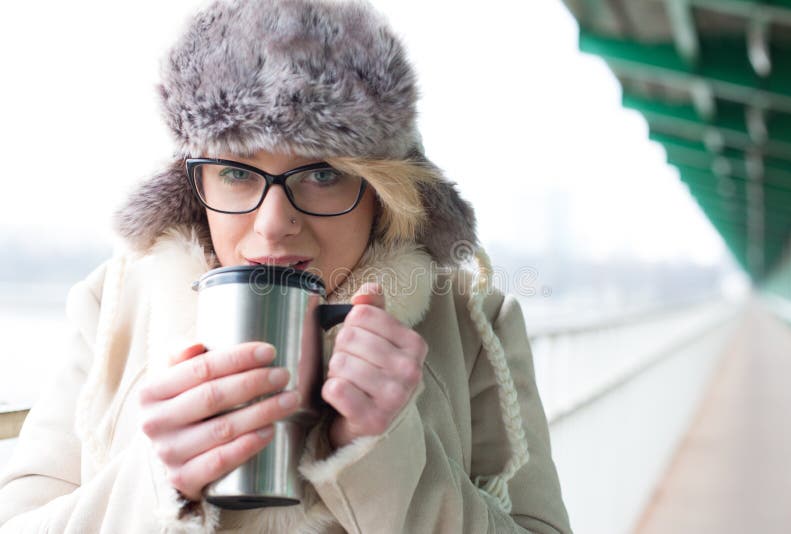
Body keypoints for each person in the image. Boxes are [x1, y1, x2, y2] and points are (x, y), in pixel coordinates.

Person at [0, 0, 572, 532]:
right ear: (193, 182)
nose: (274, 224)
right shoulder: (114, 307)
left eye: (322, 173)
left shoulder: (476, 327)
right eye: (237, 172)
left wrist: (388, 455)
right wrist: (157, 481)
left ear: (382, 188)